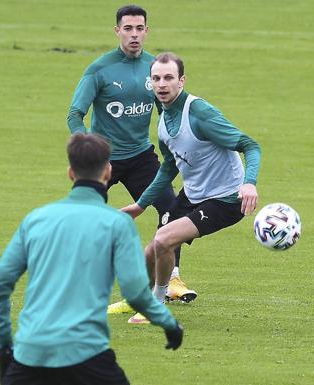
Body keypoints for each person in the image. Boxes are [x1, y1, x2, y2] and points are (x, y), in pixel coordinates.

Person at [0, 133, 183, 385]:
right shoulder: (117, 223)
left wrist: (5, 348)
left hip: (30, 354)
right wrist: (169, 324)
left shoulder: (36, 219)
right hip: (87, 354)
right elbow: (135, 293)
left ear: (71, 173)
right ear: (108, 171)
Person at [67, 5, 197, 313]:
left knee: (172, 210)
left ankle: (171, 280)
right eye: (128, 29)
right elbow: (75, 114)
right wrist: (88, 152)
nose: (134, 34)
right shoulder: (100, 70)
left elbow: (173, 109)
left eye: (140, 28)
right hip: (104, 161)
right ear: (117, 31)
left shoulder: (155, 70)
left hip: (142, 157)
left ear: (147, 31)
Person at [122, 52, 262, 324]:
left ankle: (156, 304)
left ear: (181, 81)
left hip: (225, 199)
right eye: (156, 79)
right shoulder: (163, 120)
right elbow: (169, 167)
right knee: (150, 253)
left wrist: (250, 183)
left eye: (168, 78)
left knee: (164, 239)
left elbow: (251, 145)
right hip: (193, 194)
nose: (162, 84)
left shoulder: (199, 113)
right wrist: (140, 205)